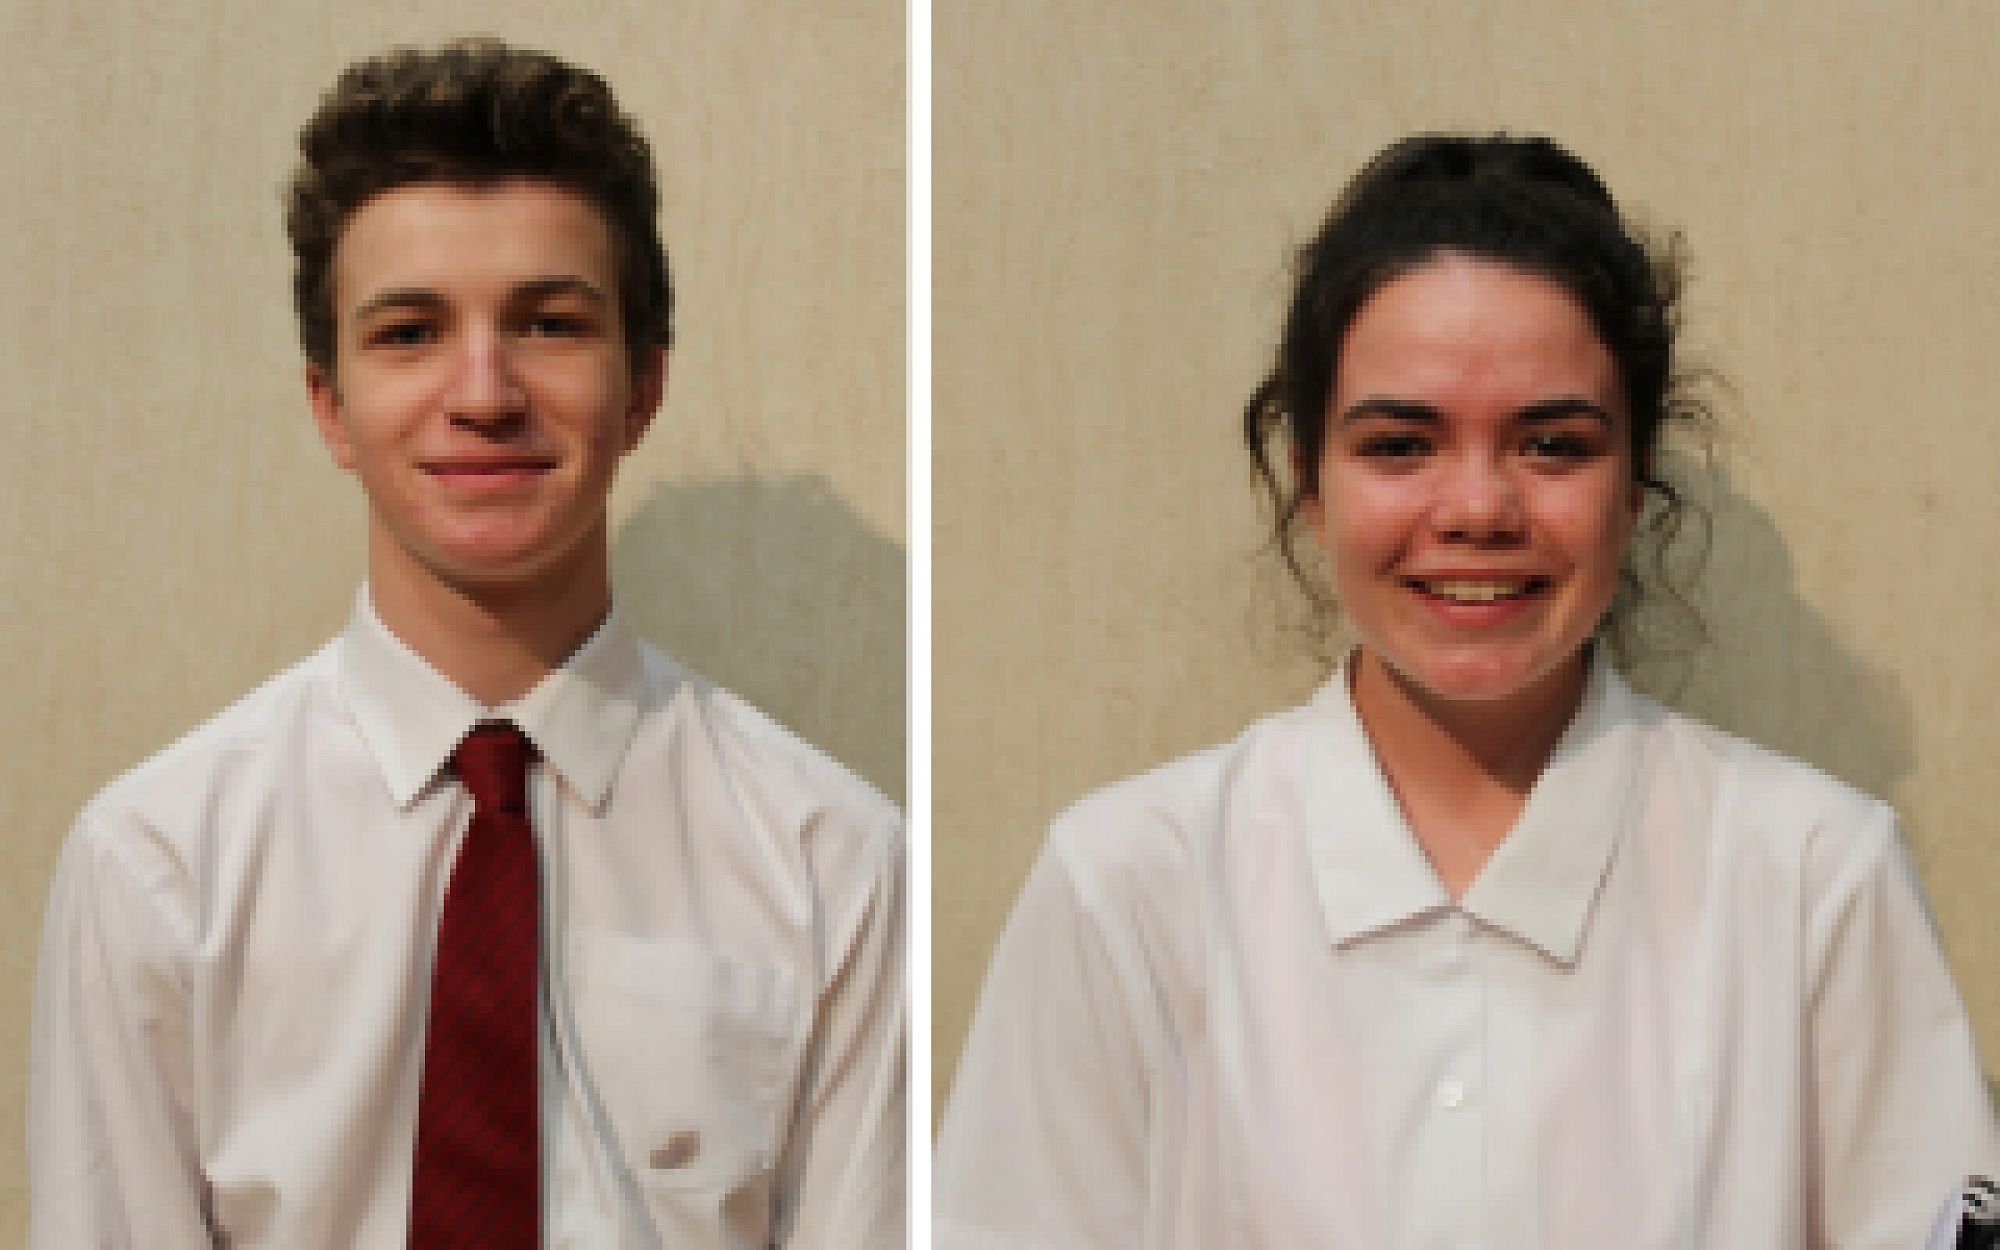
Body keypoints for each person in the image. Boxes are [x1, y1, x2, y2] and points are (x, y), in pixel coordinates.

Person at [934, 133, 1998, 1248]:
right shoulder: (1129, 888)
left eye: (1552, 445)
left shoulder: (1815, 879)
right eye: (1401, 445)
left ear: (1634, 486)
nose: (1478, 508)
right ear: (1309, 485)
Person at [29, 39, 903, 1249]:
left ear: (642, 387)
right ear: (329, 404)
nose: (484, 392)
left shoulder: (831, 863)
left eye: (548, 323)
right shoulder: (157, 863)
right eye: (408, 331)